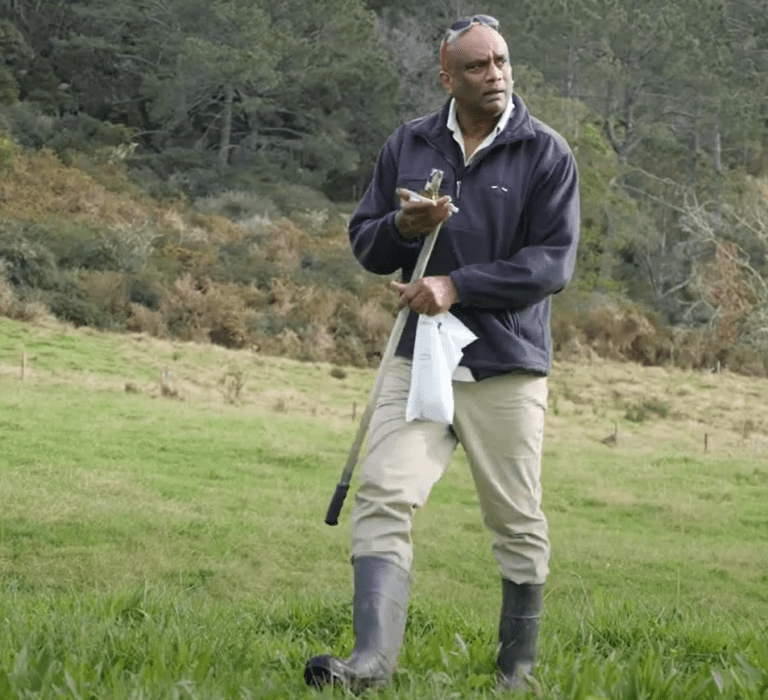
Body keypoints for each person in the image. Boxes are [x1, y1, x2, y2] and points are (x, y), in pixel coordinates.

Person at [304, 13, 579, 693]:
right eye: (478, 66)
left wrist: (457, 285)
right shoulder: (411, 143)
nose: (496, 75)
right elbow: (368, 244)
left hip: (506, 362)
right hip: (417, 356)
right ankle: (370, 663)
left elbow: (552, 263)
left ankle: (516, 673)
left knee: (515, 519)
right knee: (384, 494)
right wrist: (403, 225)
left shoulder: (546, 152)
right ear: (446, 75)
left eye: (502, 62)